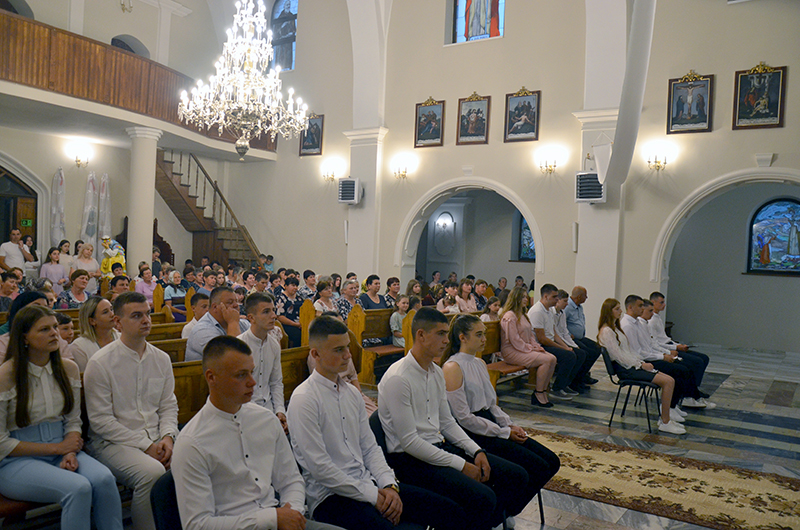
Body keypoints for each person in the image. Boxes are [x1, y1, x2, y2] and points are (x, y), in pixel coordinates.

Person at [288, 315, 463, 530]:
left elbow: (370, 447)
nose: (347, 355)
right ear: (315, 354)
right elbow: (321, 468)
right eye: (338, 350)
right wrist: (374, 496)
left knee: (449, 510)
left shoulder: (352, 393)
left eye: (347, 347)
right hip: (331, 496)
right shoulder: (304, 399)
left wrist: (389, 485)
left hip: (369, 483)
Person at [378, 308, 531, 530]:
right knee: (483, 498)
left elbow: (447, 422)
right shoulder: (398, 378)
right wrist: (461, 464)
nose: (446, 340)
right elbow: (409, 442)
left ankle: (488, 522)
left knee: (515, 475)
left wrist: (476, 451)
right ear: (421, 335)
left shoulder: (435, 371)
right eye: (440, 334)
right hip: (410, 460)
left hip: (436, 447)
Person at [171, 336, 343, 530]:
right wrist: (272, 518)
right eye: (241, 375)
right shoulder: (192, 442)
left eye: (252, 372)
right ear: (212, 377)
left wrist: (292, 511)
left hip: (279, 518)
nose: (252, 382)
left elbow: (291, 480)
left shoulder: (266, 419)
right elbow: (197, 525)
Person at [0, 305, 123, 530]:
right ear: (24, 337)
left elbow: (73, 420)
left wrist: (69, 451)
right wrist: (58, 448)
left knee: (104, 480)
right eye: (44, 329)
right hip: (16, 460)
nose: (54, 333)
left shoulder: (68, 369)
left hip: (62, 447)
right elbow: (1, 442)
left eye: (55, 327)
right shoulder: (6, 375)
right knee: (78, 488)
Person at [441, 314, 560, 515]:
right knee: (535, 467)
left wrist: (509, 425)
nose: (484, 339)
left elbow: (491, 404)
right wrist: (503, 433)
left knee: (552, 461)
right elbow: (463, 417)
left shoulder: (479, 363)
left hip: (491, 424)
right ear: (462, 337)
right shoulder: (452, 367)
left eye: (484, 334)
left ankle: (507, 509)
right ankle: (500, 514)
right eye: (479, 334)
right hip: (474, 432)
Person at [84, 292, 179, 530]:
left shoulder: (161, 358)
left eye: (147, 314)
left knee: (194, 459)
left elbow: (168, 404)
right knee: (151, 472)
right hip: (112, 443)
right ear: (118, 322)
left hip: (156, 438)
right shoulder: (100, 362)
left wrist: (168, 437)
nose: (146, 320)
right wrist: (146, 445)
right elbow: (101, 422)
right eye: (136, 316)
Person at [597, 298, 685, 434]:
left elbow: (628, 352)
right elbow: (618, 356)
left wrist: (641, 363)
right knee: (668, 382)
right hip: (625, 370)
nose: (620, 311)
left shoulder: (615, 329)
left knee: (670, 379)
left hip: (631, 366)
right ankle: (665, 421)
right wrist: (640, 365)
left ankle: (665, 418)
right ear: (609, 311)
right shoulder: (607, 331)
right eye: (617, 309)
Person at [620, 295, 706, 423]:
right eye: (640, 306)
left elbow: (650, 345)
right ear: (630, 307)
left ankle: (673, 405)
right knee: (681, 370)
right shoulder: (628, 325)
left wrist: (666, 354)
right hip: (644, 362)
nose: (642, 308)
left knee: (685, 367)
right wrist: (662, 356)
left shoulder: (638, 323)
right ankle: (669, 407)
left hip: (650, 357)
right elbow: (639, 353)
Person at [648, 291, 712, 404]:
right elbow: (656, 344)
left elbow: (664, 338)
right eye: (661, 302)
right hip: (666, 349)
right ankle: (689, 394)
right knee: (695, 362)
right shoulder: (651, 321)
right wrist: (675, 348)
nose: (664, 305)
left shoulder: (657, 317)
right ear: (653, 303)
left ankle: (694, 389)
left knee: (704, 358)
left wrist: (676, 345)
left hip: (669, 346)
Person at [498, 287, 557, 407]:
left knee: (552, 358)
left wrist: (535, 346)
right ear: (516, 298)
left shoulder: (523, 315)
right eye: (523, 297)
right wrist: (530, 348)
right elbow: (514, 339)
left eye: (526, 297)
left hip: (522, 348)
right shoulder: (509, 316)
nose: (526, 299)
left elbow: (530, 335)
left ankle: (543, 391)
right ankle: (538, 393)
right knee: (546, 360)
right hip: (511, 351)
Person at [237, 292, 287, 434]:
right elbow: (236, 390)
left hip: (269, 408)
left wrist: (280, 410)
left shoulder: (274, 344)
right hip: (245, 411)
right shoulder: (239, 346)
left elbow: (276, 382)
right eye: (266, 312)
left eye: (273, 310)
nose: (273, 316)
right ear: (251, 318)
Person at [528, 284, 587, 398]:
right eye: (554, 297)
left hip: (549, 342)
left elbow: (554, 333)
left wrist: (566, 346)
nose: (557, 299)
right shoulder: (537, 311)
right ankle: (557, 388)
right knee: (569, 356)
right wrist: (564, 348)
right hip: (540, 346)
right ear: (546, 296)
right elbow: (542, 339)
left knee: (580, 354)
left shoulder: (549, 310)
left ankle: (566, 384)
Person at [185, 286, 250, 362]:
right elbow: (232, 358)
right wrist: (233, 323)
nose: (236, 305)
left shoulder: (242, 323)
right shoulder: (202, 330)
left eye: (236, 301)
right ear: (215, 307)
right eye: (230, 302)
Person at [553, 289, 600, 385]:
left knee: (597, 348)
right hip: (569, 338)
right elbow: (558, 332)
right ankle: (575, 380)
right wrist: (569, 343)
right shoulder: (566, 308)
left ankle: (582, 375)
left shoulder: (577, 308)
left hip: (574, 337)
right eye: (585, 296)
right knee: (584, 353)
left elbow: (564, 329)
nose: (586, 298)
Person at [66, 297, 120, 372]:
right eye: (105, 312)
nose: (112, 314)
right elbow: (85, 376)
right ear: (92, 321)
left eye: (111, 309)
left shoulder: (122, 337)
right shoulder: (79, 347)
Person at [275, 276, 303, 348]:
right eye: (293, 285)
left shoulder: (299, 298)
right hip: (287, 325)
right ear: (286, 286)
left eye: (296, 286)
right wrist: (295, 324)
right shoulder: (281, 298)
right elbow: (280, 317)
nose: (295, 288)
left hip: (300, 324)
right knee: (297, 334)